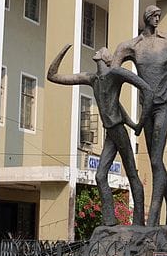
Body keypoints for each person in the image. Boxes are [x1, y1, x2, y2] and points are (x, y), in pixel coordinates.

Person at [47, 44, 153, 226]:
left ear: (106, 58)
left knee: (131, 174)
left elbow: (147, 90)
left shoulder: (116, 73)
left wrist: (140, 122)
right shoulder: (92, 78)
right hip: (110, 132)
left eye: (102, 50)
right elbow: (53, 76)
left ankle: (138, 223)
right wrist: (63, 50)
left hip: (118, 130)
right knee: (100, 176)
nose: (99, 50)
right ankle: (109, 221)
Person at [113, 5, 167, 226]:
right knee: (156, 163)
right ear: (146, 18)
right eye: (154, 15)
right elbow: (112, 77)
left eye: (160, 15)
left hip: (162, 107)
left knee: (156, 161)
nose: (158, 18)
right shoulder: (131, 46)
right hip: (145, 111)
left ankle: (153, 221)